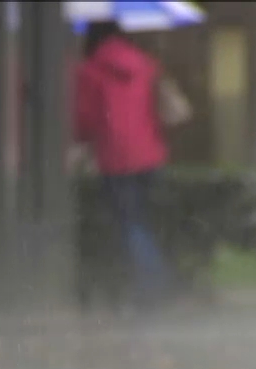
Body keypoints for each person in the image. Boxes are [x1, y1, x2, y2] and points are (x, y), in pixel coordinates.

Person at [72, 21, 175, 310]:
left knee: (130, 224)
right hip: (151, 155)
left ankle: (152, 287)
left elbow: (86, 118)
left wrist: (81, 141)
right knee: (142, 221)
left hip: (116, 158)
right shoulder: (145, 64)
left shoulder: (91, 71)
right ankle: (150, 284)